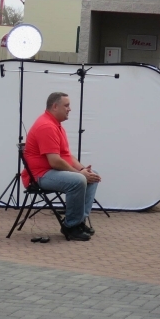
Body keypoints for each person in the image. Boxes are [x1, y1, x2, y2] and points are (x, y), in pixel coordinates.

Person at [22, 92, 102, 242]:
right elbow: (54, 161)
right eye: (66, 105)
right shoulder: (46, 126)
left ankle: (79, 222)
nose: (69, 109)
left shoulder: (56, 125)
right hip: (40, 175)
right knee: (78, 180)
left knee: (92, 176)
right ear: (55, 106)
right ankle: (70, 226)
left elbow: (67, 156)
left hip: (51, 171)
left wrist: (83, 170)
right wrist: (80, 175)